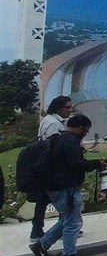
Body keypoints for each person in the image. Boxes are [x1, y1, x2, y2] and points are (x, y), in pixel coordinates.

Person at [29, 114, 107, 256]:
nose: (86, 133)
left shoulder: (59, 138)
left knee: (67, 219)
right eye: (86, 130)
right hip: (65, 188)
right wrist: (97, 164)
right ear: (80, 128)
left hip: (56, 187)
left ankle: (41, 246)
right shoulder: (71, 142)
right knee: (73, 223)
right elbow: (77, 164)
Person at [29, 96, 73, 244]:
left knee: (42, 200)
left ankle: (37, 230)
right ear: (58, 108)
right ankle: (66, 227)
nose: (70, 110)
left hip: (44, 165)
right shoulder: (54, 124)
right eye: (67, 107)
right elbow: (54, 146)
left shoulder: (47, 120)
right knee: (64, 198)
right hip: (53, 167)